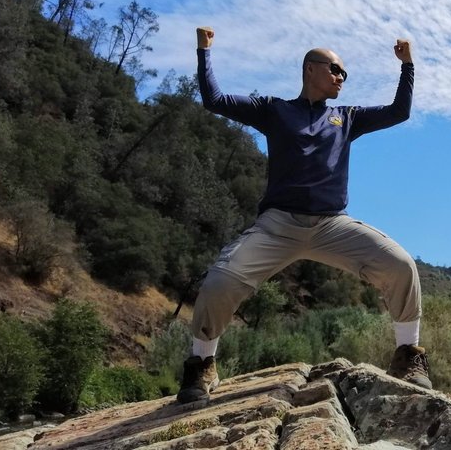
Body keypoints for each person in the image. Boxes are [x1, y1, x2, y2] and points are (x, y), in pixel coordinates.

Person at [176, 26, 431, 403]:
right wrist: (204, 51)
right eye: (335, 69)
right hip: (277, 226)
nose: (341, 77)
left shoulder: (347, 117)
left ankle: (408, 356)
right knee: (218, 282)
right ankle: (202, 365)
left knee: (400, 265)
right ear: (310, 69)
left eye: (344, 73)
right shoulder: (274, 110)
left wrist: (407, 65)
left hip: (332, 225)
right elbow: (214, 99)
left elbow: (399, 111)